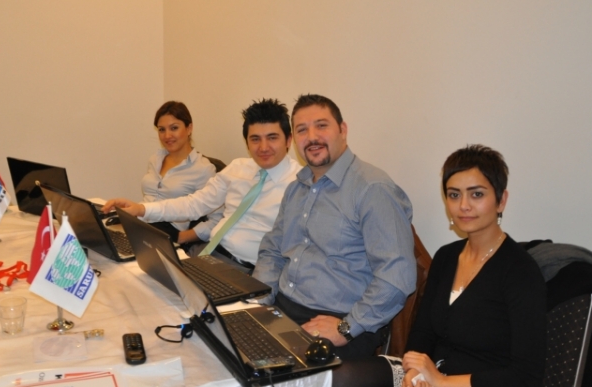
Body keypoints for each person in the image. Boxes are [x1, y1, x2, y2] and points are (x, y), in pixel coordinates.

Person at [348, 145, 547, 387]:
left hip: (476, 384)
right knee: (341, 377)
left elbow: (526, 376)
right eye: (454, 195)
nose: (464, 205)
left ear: (501, 200)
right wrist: (414, 372)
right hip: (429, 378)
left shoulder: (520, 271)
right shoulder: (446, 257)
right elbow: (423, 333)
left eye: (477, 194)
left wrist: (442, 381)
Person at [253, 94, 416, 365]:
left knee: (268, 377)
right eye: (302, 130)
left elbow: (397, 276)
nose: (312, 137)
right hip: (283, 309)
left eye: (321, 126)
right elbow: (272, 250)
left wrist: (346, 328)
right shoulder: (296, 189)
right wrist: (258, 302)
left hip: (340, 323)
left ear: (343, 130)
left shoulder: (372, 189)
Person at [102, 98, 301, 269]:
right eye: (255, 139)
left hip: (247, 268)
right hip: (209, 254)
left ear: (288, 140)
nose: (263, 147)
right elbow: (194, 204)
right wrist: (141, 209)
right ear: (247, 142)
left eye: (272, 138)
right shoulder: (237, 168)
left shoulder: (300, 184)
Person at [138, 101, 219, 242]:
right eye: (161, 130)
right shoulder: (155, 159)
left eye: (174, 128)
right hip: (140, 222)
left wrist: (180, 238)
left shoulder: (203, 169)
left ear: (189, 128)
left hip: (168, 231)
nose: (167, 136)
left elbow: (217, 221)